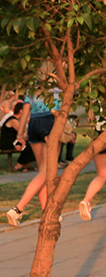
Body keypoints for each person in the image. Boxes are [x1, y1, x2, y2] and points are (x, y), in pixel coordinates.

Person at [5, 90, 58, 225]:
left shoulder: (34, 87)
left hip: (34, 123)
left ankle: (46, 212)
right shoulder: (58, 85)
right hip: (50, 122)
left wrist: (20, 135)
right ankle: (18, 209)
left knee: (42, 173)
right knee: (46, 172)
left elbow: (25, 111)